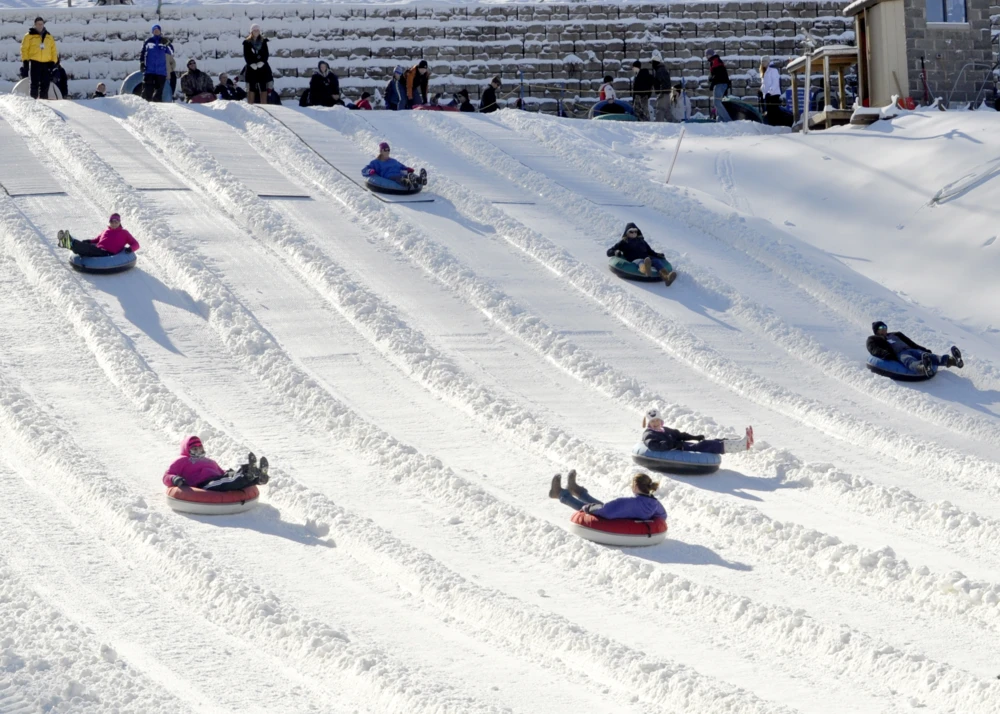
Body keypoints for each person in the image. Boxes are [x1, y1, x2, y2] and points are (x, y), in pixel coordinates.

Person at [549, 470, 667, 521]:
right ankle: (575, 489)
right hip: (618, 515)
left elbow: (605, 512)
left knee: (587, 507)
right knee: (600, 505)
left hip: (608, 519)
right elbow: (663, 516)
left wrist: (588, 508)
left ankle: (559, 493)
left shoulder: (628, 502)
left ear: (635, 486)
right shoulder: (655, 503)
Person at [163, 436, 269, 492]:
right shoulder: (182, 460)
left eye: (200, 448)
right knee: (229, 482)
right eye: (194, 449)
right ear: (187, 450)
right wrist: (175, 479)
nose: (198, 451)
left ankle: (257, 477)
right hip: (204, 484)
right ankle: (247, 476)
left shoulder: (209, 461)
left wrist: (230, 473)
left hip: (218, 478)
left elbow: (221, 472)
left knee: (233, 477)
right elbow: (167, 475)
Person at [866, 321, 963, 376]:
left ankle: (953, 361)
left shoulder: (896, 334)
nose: (884, 328)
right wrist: (886, 355)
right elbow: (873, 349)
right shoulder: (873, 339)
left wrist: (923, 349)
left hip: (910, 349)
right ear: (876, 330)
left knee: (927, 355)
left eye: (885, 326)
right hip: (899, 353)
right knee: (909, 360)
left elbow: (911, 343)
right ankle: (923, 367)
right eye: (881, 327)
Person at [642, 407, 754, 455]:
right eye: (653, 421)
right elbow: (653, 445)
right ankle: (742, 445)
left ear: (661, 420)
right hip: (678, 449)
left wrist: (694, 437)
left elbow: (679, 435)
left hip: (681, 446)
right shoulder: (649, 434)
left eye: (657, 420)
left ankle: (740, 442)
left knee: (710, 441)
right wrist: (672, 444)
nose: (655, 423)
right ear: (649, 423)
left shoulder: (664, 429)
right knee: (705, 445)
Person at [606, 222, 677, 284]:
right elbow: (609, 252)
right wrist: (616, 252)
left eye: (635, 231)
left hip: (646, 258)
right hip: (635, 259)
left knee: (656, 261)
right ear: (627, 233)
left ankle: (666, 277)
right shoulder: (623, 242)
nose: (634, 233)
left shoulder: (642, 241)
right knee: (641, 262)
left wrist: (657, 255)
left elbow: (650, 251)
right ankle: (645, 270)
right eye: (631, 231)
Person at [56, 214, 139, 258]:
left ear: (119, 223)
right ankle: (67, 240)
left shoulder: (124, 233)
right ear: (109, 222)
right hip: (98, 249)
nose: (114, 224)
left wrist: (130, 249)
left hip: (107, 254)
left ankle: (68, 242)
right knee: (86, 246)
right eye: (112, 222)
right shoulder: (106, 231)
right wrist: (89, 241)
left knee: (88, 249)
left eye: (116, 222)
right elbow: (97, 240)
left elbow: (136, 244)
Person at [20, 17, 58, 100]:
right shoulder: (29, 36)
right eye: (38, 24)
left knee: (45, 85)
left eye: (41, 24)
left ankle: (44, 102)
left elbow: (53, 50)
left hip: (46, 63)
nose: (40, 26)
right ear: (35, 25)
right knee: (34, 84)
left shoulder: (49, 36)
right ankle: (33, 102)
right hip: (35, 63)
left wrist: (53, 61)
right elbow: (24, 49)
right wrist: (25, 60)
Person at [361, 142, 427, 189]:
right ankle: (408, 182)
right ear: (381, 151)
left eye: (388, 150)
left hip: (399, 173)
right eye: (385, 150)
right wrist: (370, 171)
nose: (387, 151)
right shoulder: (376, 162)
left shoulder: (393, 161)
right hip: (390, 176)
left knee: (408, 175)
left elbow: (401, 166)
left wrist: (407, 169)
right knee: (399, 179)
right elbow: (364, 170)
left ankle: (420, 180)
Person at [139, 23, 172, 103]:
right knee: (147, 90)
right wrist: (142, 62)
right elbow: (143, 53)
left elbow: (171, 52)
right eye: (155, 30)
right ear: (152, 32)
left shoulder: (164, 42)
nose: (156, 31)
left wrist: (168, 44)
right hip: (150, 70)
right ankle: (144, 105)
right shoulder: (148, 41)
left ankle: (157, 106)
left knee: (158, 92)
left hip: (161, 71)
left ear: (160, 31)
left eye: (157, 30)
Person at [243, 24, 273, 105]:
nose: (256, 31)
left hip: (262, 67)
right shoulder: (247, 42)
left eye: (257, 30)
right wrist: (251, 63)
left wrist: (262, 62)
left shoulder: (263, 41)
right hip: (252, 68)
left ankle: (264, 105)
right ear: (251, 31)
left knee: (263, 86)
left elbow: (266, 53)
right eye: (254, 30)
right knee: (251, 87)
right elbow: (246, 55)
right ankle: (250, 105)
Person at [706, 49, 731, 122]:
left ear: (711, 55)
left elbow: (719, 75)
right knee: (718, 102)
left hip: (720, 84)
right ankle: (721, 119)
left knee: (717, 102)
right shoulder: (714, 61)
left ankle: (727, 120)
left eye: (707, 55)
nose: (706, 57)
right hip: (720, 83)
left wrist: (712, 82)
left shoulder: (716, 61)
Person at [650, 51, 674, 122]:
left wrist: (661, 92)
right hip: (665, 94)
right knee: (667, 112)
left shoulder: (660, 70)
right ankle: (675, 124)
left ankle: (659, 126)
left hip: (663, 94)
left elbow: (663, 82)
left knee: (660, 110)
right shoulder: (661, 70)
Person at [759, 56, 782, 125]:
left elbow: (775, 83)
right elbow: (764, 84)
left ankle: (775, 126)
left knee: (773, 113)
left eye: (764, 61)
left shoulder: (773, 70)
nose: (763, 63)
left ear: (768, 62)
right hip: (767, 96)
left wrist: (770, 92)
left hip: (773, 95)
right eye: (762, 62)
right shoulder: (764, 71)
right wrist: (761, 90)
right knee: (767, 113)